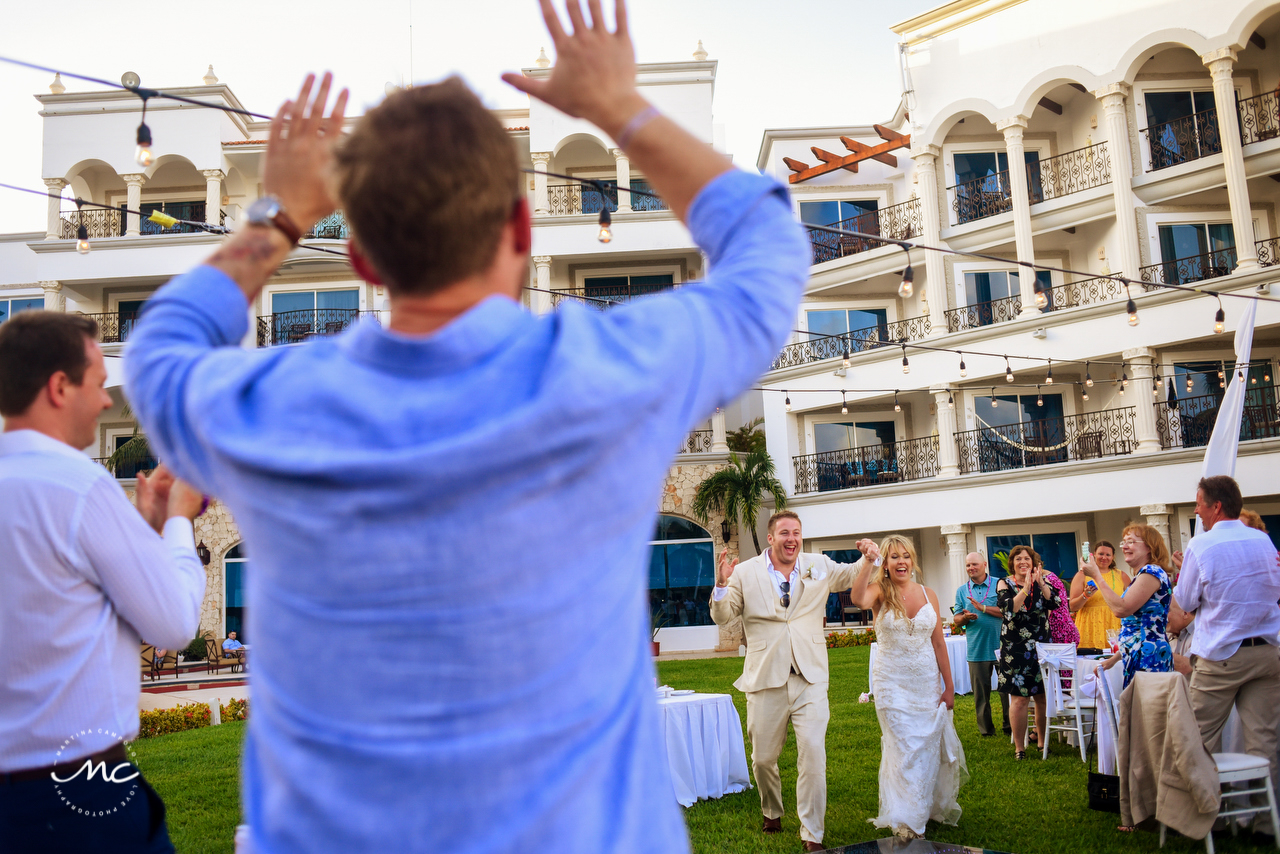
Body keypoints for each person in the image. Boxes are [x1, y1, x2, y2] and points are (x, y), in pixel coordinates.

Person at [121, 1, 810, 850]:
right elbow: (769, 247)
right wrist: (619, 110)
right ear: (521, 228)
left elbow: (160, 345)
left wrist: (280, 216)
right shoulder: (609, 372)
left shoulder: (271, 406)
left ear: (364, 259)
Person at [0, 312, 206, 853]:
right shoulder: (79, 487)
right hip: (76, 796)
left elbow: (62, 602)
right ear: (59, 386)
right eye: (97, 384)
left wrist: (141, 530)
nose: (108, 401)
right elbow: (175, 624)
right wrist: (180, 519)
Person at [709, 511, 863, 852]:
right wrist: (721, 584)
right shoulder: (745, 572)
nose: (791, 539)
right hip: (765, 678)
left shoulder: (816, 564)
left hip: (810, 678)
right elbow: (723, 614)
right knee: (763, 758)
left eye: (796, 532)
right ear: (771, 538)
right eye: (784, 533)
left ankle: (812, 834)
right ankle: (772, 810)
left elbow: (851, 575)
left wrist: (868, 556)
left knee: (813, 755)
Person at [1175, 475, 1280, 838]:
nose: (1196, 509)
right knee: (1266, 741)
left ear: (1215, 506)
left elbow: (1185, 602)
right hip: (1268, 652)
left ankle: (1203, 819)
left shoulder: (1202, 546)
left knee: (1195, 736)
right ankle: (1264, 825)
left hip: (1221, 656)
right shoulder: (1264, 540)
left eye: (1199, 502)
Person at [849, 534, 966, 839]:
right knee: (903, 746)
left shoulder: (929, 594)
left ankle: (920, 806)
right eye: (894, 557)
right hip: (891, 682)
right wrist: (868, 562)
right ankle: (907, 818)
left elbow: (939, 642)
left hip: (926, 683)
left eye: (906, 556)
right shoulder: (879, 592)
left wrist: (949, 686)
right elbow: (857, 599)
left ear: (913, 561)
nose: (901, 562)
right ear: (885, 564)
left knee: (924, 746)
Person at [1082, 524, 1173, 688]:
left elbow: (1121, 609)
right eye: (1123, 542)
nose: (1124, 547)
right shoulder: (1143, 574)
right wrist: (1112, 661)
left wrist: (1097, 575)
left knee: (1149, 710)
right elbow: (1136, 631)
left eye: (1130, 542)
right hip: (1138, 652)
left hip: (1148, 655)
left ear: (1149, 547)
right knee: (1137, 710)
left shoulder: (1151, 572)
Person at [995, 544, 1060, 759]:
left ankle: (1042, 742)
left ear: (1034, 563)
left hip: (1041, 646)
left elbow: (1056, 602)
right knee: (1020, 699)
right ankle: (1020, 747)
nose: (1023, 562)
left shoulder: (1043, 582)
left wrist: (1040, 583)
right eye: (1018, 559)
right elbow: (1009, 609)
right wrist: (1025, 587)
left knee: (1041, 697)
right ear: (1012, 563)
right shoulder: (1004, 583)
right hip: (1016, 649)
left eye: (1027, 559)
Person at [952, 552, 1010, 736]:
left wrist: (982, 608)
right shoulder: (962, 590)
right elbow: (956, 619)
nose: (971, 568)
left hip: (1002, 646)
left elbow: (1007, 612)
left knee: (1007, 691)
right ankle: (986, 730)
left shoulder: (999, 584)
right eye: (968, 565)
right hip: (976, 648)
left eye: (975, 564)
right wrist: (965, 618)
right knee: (980, 694)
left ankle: (1010, 726)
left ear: (984, 564)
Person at [1070, 541, 1129, 654]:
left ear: (1113, 557)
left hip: (1114, 627)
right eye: (1101, 554)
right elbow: (1073, 606)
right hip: (1089, 627)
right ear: (1094, 555)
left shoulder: (1121, 575)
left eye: (1108, 555)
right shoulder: (1082, 575)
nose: (1104, 557)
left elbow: (1130, 603)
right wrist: (1085, 595)